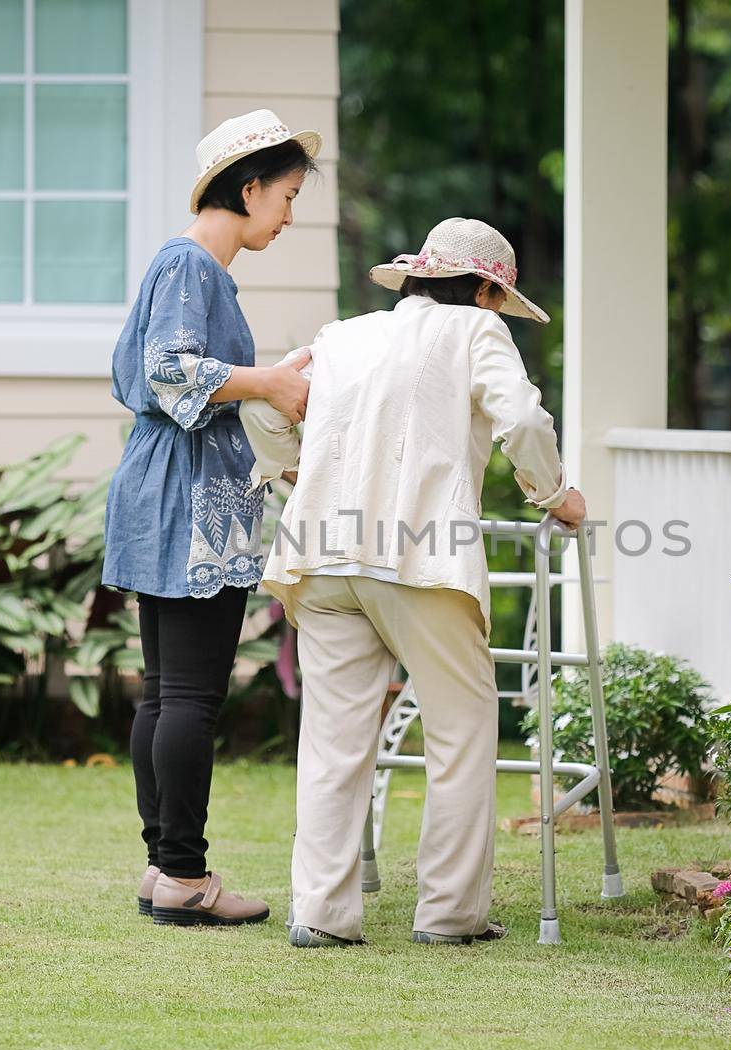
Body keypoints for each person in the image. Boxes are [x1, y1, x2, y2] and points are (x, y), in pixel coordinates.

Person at [241, 218, 586, 947]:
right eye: (498, 297)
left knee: (334, 739)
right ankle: (451, 913)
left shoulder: (343, 335)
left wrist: (294, 474)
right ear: (487, 290)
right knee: (461, 731)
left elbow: (261, 405)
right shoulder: (477, 332)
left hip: (323, 555)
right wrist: (555, 495)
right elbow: (521, 417)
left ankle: (321, 914)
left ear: (419, 277)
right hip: (421, 559)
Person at [102, 109, 320, 927]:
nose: (289, 216)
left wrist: (267, 406)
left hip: (165, 489)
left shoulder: (190, 269)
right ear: (250, 186)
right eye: (287, 197)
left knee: (165, 693)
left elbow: (190, 385)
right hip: (189, 502)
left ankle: (167, 870)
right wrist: (268, 381)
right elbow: (168, 372)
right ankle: (187, 877)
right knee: (190, 695)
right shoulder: (192, 266)